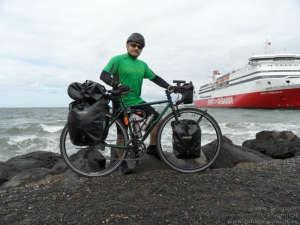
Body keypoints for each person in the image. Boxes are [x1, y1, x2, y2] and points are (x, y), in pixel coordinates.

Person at [100, 33, 171, 174]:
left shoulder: (142, 65)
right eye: (133, 45)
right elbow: (103, 75)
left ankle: (152, 147)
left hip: (136, 101)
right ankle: (122, 162)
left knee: (157, 119)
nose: (136, 48)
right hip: (120, 101)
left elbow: (155, 78)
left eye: (140, 47)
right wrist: (116, 84)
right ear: (127, 45)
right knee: (122, 133)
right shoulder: (118, 60)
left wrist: (169, 87)